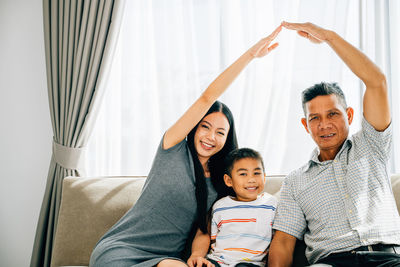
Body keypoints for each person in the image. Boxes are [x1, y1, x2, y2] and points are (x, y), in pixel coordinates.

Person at [89, 25, 282, 267]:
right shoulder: (172, 148)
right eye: (205, 127)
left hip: (169, 261)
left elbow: (251, 205)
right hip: (122, 250)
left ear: (227, 140)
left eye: (220, 132)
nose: (211, 136)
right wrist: (250, 56)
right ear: (194, 128)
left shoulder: (223, 182)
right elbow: (207, 97)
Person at [268, 22, 400, 267]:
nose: (324, 125)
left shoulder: (372, 145)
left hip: (389, 259)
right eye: (314, 118)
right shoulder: (296, 182)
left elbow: (377, 81)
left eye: (333, 114)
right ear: (305, 125)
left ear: (349, 115)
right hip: (331, 263)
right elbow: (284, 242)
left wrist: (329, 37)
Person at [187, 148, 277, 267]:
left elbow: (281, 237)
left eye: (256, 173)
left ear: (264, 177)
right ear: (229, 180)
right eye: (243, 174)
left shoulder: (271, 204)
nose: (251, 179)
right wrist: (196, 255)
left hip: (250, 264)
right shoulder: (220, 206)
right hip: (217, 261)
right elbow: (205, 232)